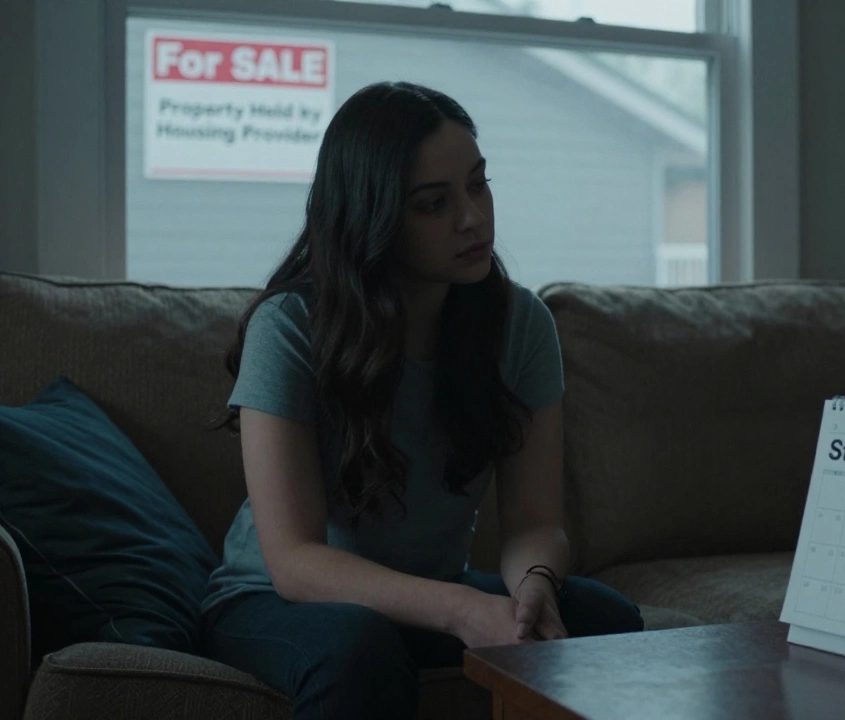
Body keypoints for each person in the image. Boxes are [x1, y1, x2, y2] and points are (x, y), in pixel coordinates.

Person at [201, 81, 644, 719]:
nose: (472, 217)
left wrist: (533, 591)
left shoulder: (521, 325)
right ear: (372, 216)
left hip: (433, 595)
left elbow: (534, 525)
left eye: (478, 184)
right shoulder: (291, 325)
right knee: (359, 644)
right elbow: (294, 562)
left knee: (607, 619)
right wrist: (462, 610)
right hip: (275, 602)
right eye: (433, 204)